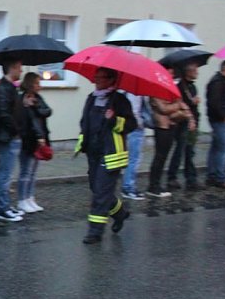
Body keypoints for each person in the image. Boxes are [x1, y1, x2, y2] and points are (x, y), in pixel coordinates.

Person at [75, 67, 135, 244]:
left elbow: (132, 124)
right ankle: (120, 213)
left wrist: (115, 120)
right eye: (96, 77)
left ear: (111, 80)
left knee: (100, 193)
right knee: (97, 189)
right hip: (93, 151)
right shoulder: (91, 98)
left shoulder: (120, 100)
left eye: (101, 78)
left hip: (110, 154)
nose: (97, 80)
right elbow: (84, 121)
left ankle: (95, 231)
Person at [0, 59, 25, 222]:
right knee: (5, 175)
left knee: (7, 174)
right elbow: (4, 114)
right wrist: (15, 131)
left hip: (10, 136)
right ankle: (1, 209)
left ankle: (5, 206)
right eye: (19, 68)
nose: (22, 71)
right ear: (11, 68)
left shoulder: (10, 87)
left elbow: (12, 110)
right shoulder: (4, 88)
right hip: (7, 137)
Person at [146, 93, 195, 197]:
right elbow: (163, 109)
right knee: (159, 156)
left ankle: (156, 183)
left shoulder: (170, 91)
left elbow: (181, 105)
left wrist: (176, 106)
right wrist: (177, 105)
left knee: (163, 157)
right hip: (161, 126)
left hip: (171, 124)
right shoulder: (155, 93)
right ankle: (153, 185)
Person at [16, 72, 51, 213]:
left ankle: (30, 198)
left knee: (33, 172)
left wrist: (35, 106)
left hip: (40, 139)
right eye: (37, 83)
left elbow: (47, 111)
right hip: (28, 140)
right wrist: (25, 106)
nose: (39, 86)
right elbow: (22, 121)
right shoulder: (21, 99)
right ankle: (22, 200)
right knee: (26, 171)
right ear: (30, 84)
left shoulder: (38, 98)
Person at [167, 62, 202, 190]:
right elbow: (179, 103)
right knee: (180, 150)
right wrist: (192, 103)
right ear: (188, 71)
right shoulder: (180, 86)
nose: (197, 72)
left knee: (190, 151)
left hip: (193, 122)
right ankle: (172, 177)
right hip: (182, 123)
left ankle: (191, 179)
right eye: (195, 70)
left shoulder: (192, 87)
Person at [205, 60, 225, 188]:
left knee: (216, 148)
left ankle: (212, 175)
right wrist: (223, 116)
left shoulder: (221, 81)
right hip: (220, 120)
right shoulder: (218, 82)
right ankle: (220, 177)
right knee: (224, 149)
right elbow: (214, 103)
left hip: (218, 119)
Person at [120, 93, 148, 200]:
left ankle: (128, 186)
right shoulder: (134, 94)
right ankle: (128, 187)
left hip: (131, 128)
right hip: (135, 128)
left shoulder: (128, 92)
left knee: (132, 158)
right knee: (134, 158)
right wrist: (140, 123)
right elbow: (134, 112)